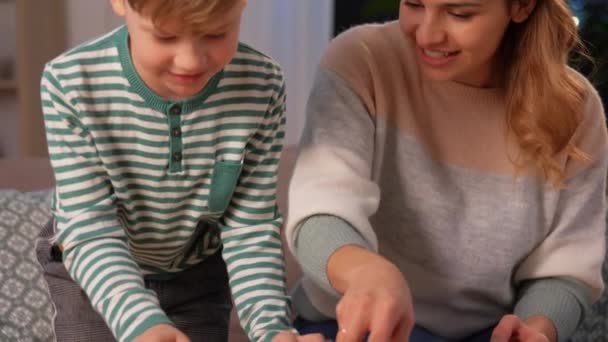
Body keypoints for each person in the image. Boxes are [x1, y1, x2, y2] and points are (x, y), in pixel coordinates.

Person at [285, 0, 607, 341]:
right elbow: (318, 213)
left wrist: (534, 328)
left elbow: (567, 266)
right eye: (413, 4)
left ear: (522, 7)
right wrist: (367, 273)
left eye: (459, 14)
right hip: (352, 323)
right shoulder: (361, 59)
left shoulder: (576, 112)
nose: (427, 34)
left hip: (488, 332)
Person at [35, 0, 324, 341]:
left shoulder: (263, 85)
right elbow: (89, 227)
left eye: (216, 34)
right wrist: (141, 322)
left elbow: (250, 227)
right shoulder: (69, 82)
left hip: (197, 274)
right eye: (165, 36)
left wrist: (272, 330)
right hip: (93, 267)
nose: (190, 61)